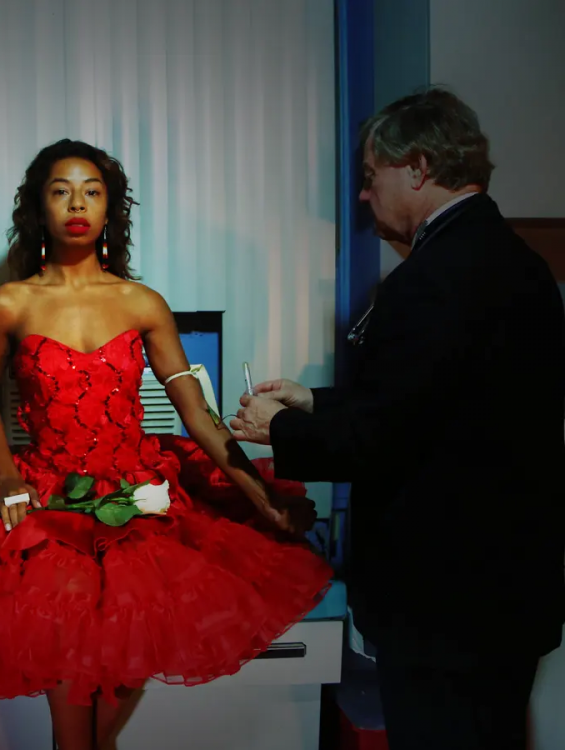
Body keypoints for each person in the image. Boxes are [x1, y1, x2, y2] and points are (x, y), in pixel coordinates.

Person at [0, 138, 333, 750]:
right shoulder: (9, 303)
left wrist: (257, 495)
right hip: (48, 498)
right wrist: (10, 479)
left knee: (122, 652)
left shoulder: (142, 302)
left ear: (109, 210)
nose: (77, 203)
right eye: (61, 190)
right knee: (68, 670)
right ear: (39, 208)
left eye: (92, 191)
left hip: (138, 494)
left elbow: (198, 416)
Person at [230, 87, 565, 750]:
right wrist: (316, 400)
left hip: (445, 605)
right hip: (505, 593)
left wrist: (281, 429)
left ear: (415, 168)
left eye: (368, 177)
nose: (363, 197)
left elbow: (384, 439)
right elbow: (438, 403)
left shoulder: (432, 278)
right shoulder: (517, 263)